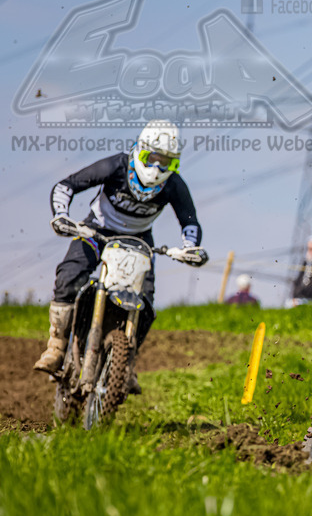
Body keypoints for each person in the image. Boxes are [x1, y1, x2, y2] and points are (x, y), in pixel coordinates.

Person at [34, 120, 207, 392]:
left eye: (166, 162)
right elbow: (66, 185)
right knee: (68, 276)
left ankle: (126, 363)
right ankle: (56, 345)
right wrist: (61, 216)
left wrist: (190, 247)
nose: (157, 168)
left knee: (145, 304)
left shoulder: (174, 185)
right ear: (139, 151)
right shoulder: (115, 166)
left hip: (139, 241)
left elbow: (190, 222)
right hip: (96, 230)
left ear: (174, 164)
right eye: (152, 159)